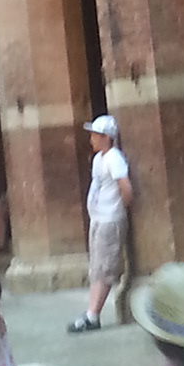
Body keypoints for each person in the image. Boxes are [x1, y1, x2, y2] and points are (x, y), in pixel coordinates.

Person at [68, 112, 131, 333]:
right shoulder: (99, 159)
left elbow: (125, 187)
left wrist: (119, 208)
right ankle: (90, 312)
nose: (91, 139)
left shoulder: (114, 157)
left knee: (104, 268)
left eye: (95, 134)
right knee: (96, 267)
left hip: (109, 220)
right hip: (98, 219)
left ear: (106, 136)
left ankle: (93, 315)